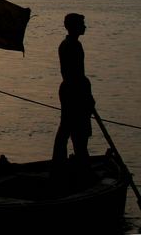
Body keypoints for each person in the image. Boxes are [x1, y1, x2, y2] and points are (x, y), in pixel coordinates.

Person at [52, 13, 95, 180]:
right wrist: (85, 95)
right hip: (74, 92)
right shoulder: (71, 45)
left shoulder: (73, 44)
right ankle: (74, 166)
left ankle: (72, 164)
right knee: (74, 130)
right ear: (73, 26)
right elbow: (74, 74)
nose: (84, 27)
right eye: (82, 24)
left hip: (74, 90)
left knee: (73, 130)